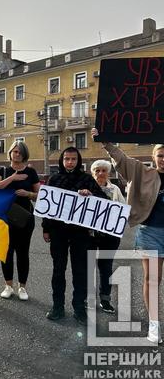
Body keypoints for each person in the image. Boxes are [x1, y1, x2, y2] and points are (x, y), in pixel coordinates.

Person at [92, 128, 164, 343]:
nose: (163, 159)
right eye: (160, 155)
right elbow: (121, 159)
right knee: (153, 280)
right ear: (154, 157)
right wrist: (106, 142)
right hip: (150, 233)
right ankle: (154, 325)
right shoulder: (144, 172)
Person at [42, 146, 107, 325]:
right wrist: (45, 229)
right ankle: (57, 307)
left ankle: (79, 308)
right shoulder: (54, 179)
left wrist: (91, 194)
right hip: (58, 232)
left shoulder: (87, 179)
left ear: (78, 161)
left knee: (80, 271)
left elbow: (104, 201)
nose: (70, 162)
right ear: (62, 161)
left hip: (81, 234)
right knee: (58, 270)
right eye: (66, 159)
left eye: (73, 159)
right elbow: (48, 206)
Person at [0, 141, 40, 301]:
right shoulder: (3, 170)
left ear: (24, 154)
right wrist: (12, 178)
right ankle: (8, 286)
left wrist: (28, 194)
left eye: (19, 152)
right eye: (14, 151)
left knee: (23, 253)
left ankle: (22, 287)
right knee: (6, 252)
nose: (16, 154)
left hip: (25, 217)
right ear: (10, 153)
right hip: (5, 218)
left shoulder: (31, 172)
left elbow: (40, 196)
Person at [87, 159, 126, 314]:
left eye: (103, 170)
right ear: (92, 172)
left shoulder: (115, 189)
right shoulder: (86, 187)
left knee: (105, 267)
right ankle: (87, 298)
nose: (100, 173)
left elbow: (123, 209)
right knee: (87, 267)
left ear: (109, 173)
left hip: (109, 236)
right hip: (89, 234)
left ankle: (105, 300)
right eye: (97, 170)